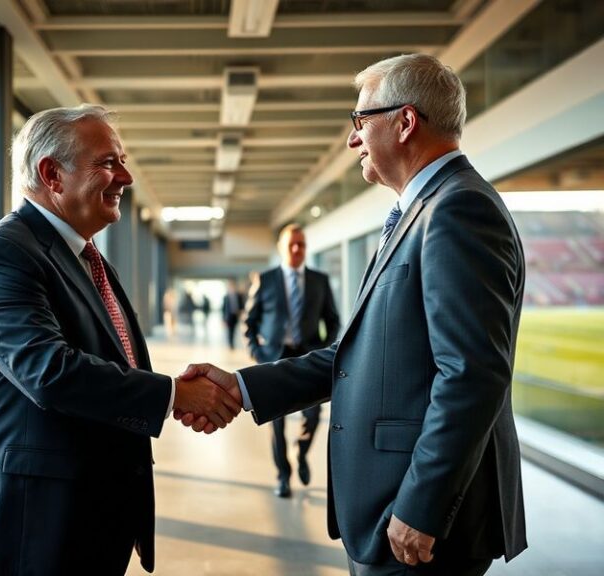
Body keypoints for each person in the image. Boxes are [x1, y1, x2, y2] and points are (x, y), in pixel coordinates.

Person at [179, 53, 527, 575]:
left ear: (405, 123)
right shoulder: (425, 210)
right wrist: (243, 387)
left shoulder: (457, 210)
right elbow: (360, 356)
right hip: (390, 508)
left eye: (360, 121)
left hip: (416, 519)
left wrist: (420, 505)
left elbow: (473, 375)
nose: (352, 139)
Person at [0, 104, 240, 576]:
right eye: (108, 162)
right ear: (53, 174)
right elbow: (49, 371)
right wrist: (175, 394)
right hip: (37, 522)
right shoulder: (1, 254)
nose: (125, 177)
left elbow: (115, 364)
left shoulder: (90, 259)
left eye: (121, 161)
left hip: (94, 512)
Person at [244, 223, 340, 497]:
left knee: (313, 413)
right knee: (277, 423)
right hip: (274, 356)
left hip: (308, 354)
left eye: (302, 244)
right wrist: (258, 353)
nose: (297, 249)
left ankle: (302, 452)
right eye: (292, 245)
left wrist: (324, 349)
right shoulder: (266, 279)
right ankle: (283, 476)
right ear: (282, 248)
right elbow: (248, 323)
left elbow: (332, 320)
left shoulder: (319, 281)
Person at [221, 279, 244, 349]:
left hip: (236, 316)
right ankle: (231, 344)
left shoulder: (239, 296)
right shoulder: (226, 297)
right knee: (229, 331)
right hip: (228, 317)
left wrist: (241, 312)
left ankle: (232, 343)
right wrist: (223, 319)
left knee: (234, 330)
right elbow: (223, 309)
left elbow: (241, 305)